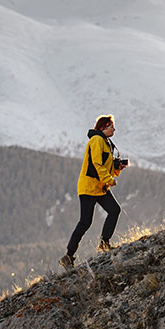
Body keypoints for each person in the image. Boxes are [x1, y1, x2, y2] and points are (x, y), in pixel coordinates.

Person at [59, 115, 127, 270]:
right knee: (85, 222)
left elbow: (104, 165)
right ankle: (68, 256)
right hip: (89, 187)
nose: (114, 129)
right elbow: (96, 164)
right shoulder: (96, 141)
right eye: (112, 126)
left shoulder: (105, 142)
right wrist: (109, 180)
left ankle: (104, 244)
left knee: (114, 210)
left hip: (99, 187)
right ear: (103, 127)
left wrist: (117, 168)